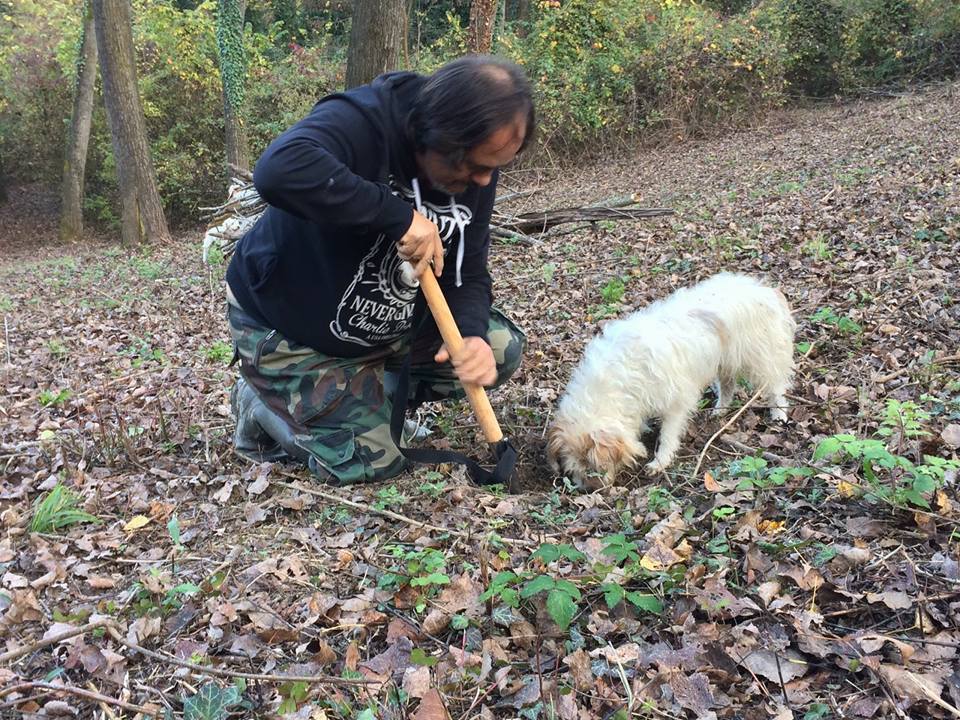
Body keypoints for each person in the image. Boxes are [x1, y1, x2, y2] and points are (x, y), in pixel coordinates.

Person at [225, 55, 535, 485]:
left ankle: (360, 398)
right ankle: (262, 405)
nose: (485, 181)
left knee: (501, 350)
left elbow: (468, 272)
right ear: (438, 137)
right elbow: (278, 169)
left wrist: (471, 334)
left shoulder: (476, 174)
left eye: (494, 167)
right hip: (290, 327)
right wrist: (399, 217)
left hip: (383, 330)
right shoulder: (364, 121)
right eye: (476, 166)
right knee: (370, 460)